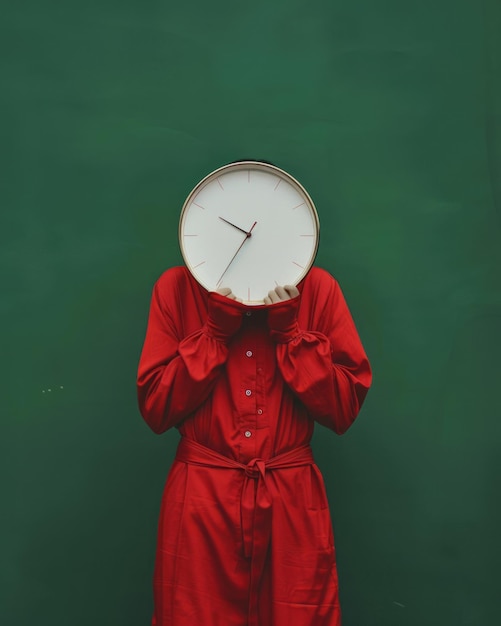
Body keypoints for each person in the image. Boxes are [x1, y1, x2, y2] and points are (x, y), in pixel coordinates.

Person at [137, 201, 372, 626]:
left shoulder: (318, 290)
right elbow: (156, 408)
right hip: (201, 502)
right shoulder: (175, 288)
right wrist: (213, 335)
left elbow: (343, 410)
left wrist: (292, 335)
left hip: (291, 501)